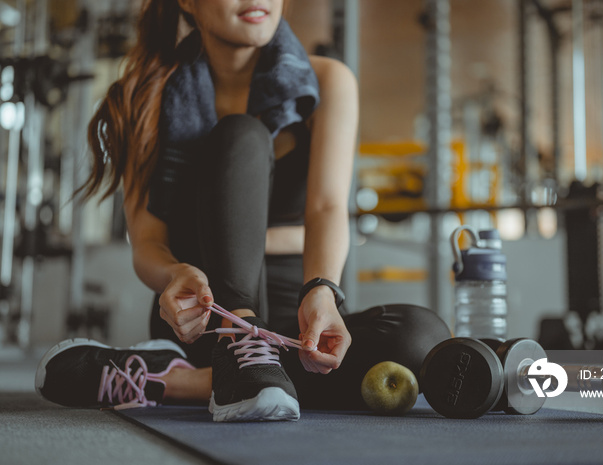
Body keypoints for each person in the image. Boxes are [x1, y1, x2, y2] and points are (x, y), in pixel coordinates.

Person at [36, 0, 451, 422]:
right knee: (242, 136)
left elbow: (327, 208)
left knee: (422, 339)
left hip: (297, 321)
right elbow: (146, 244)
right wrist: (174, 273)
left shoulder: (328, 80)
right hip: (206, 316)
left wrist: (322, 289)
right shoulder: (142, 94)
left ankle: (175, 381)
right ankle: (238, 349)